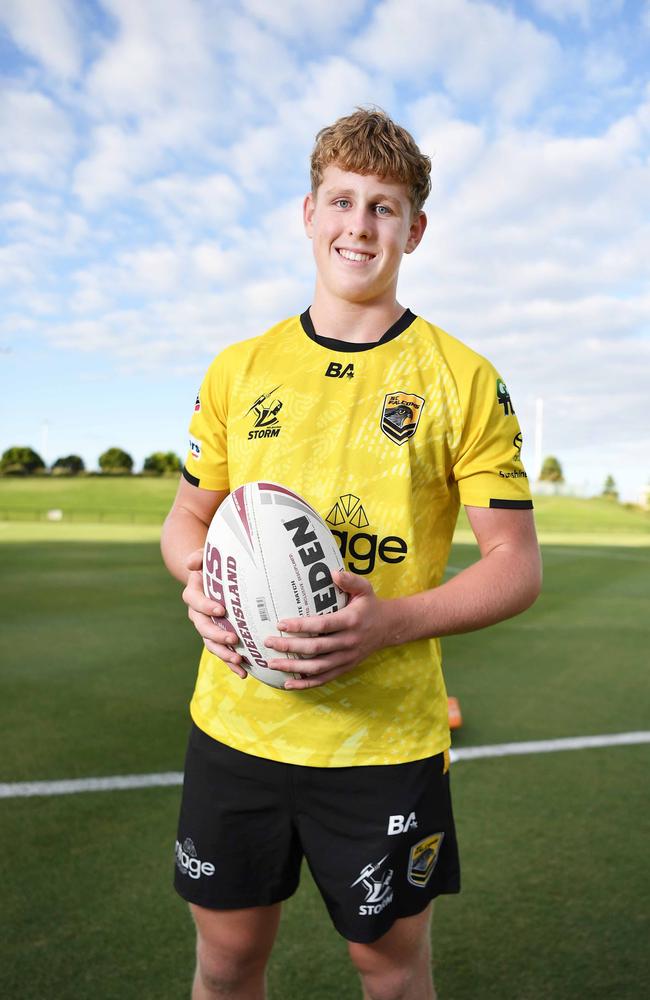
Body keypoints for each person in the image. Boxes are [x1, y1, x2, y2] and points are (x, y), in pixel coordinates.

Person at [161, 107, 542, 1000]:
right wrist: (199, 581)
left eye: (383, 206)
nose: (359, 225)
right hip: (237, 728)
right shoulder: (240, 369)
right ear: (308, 212)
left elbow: (515, 565)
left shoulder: (462, 379)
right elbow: (185, 520)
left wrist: (390, 624)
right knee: (225, 963)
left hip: (384, 748)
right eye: (342, 200)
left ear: (415, 228)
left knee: (392, 971)